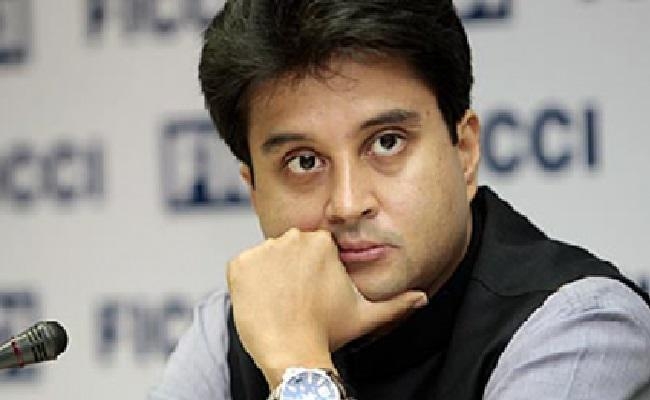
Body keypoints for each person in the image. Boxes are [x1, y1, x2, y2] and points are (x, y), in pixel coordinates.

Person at [149, 1, 650, 399]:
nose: (348, 204)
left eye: (386, 142)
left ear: (465, 151)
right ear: (254, 191)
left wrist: (299, 371)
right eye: (304, 162)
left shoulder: (580, 326)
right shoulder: (231, 332)